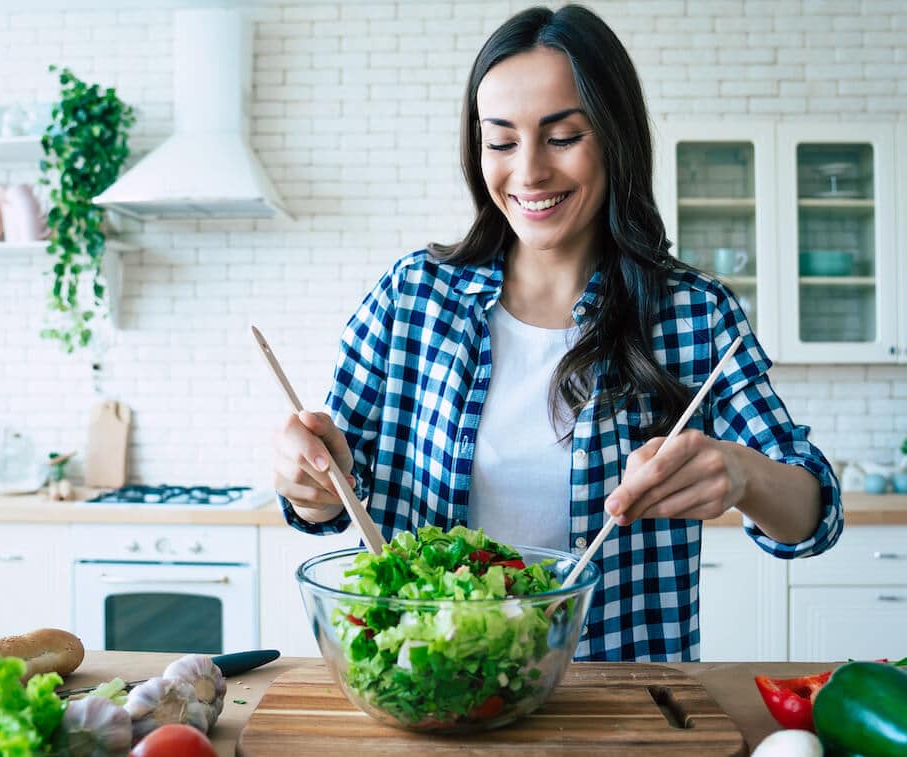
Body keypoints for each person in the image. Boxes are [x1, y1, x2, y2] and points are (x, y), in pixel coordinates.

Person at [273, 4, 843, 662]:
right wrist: (309, 477)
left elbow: (814, 516)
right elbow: (334, 490)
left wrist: (743, 475)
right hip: (433, 696)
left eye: (562, 136)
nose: (530, 171)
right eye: (502, 140)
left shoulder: (694, 313)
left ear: (614, 136)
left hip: (617, 709)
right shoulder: (412, 297)